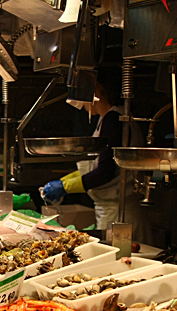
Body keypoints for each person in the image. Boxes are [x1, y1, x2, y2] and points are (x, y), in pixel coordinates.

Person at [41, 69, 148, 238]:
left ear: (95, 90)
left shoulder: (115, 119)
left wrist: (66, 187)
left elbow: (105, 172)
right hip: (111, 210)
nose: (81, 106)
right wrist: (64, 181)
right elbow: (98, 166)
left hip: (120, 214)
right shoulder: (106, 118)